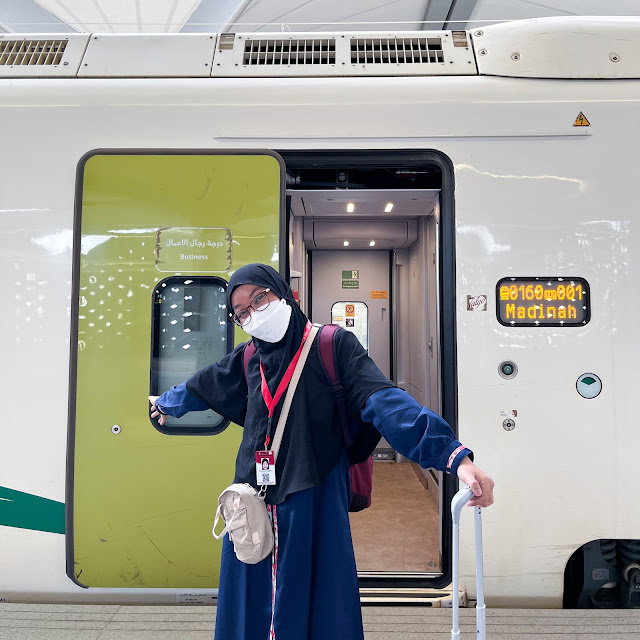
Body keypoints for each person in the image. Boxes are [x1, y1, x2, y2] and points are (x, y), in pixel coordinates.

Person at [149, 263, 494, 640]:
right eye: (242, 313)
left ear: (284, 293)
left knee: (317, 595)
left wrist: (453, 457)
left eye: (259, 299)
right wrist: (167, 403)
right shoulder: (249, 357)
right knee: (252, 596)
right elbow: (204, 384)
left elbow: (385, 401)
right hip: (251, 500)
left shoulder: (332, 345)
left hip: (312, 495)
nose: (253, 315)